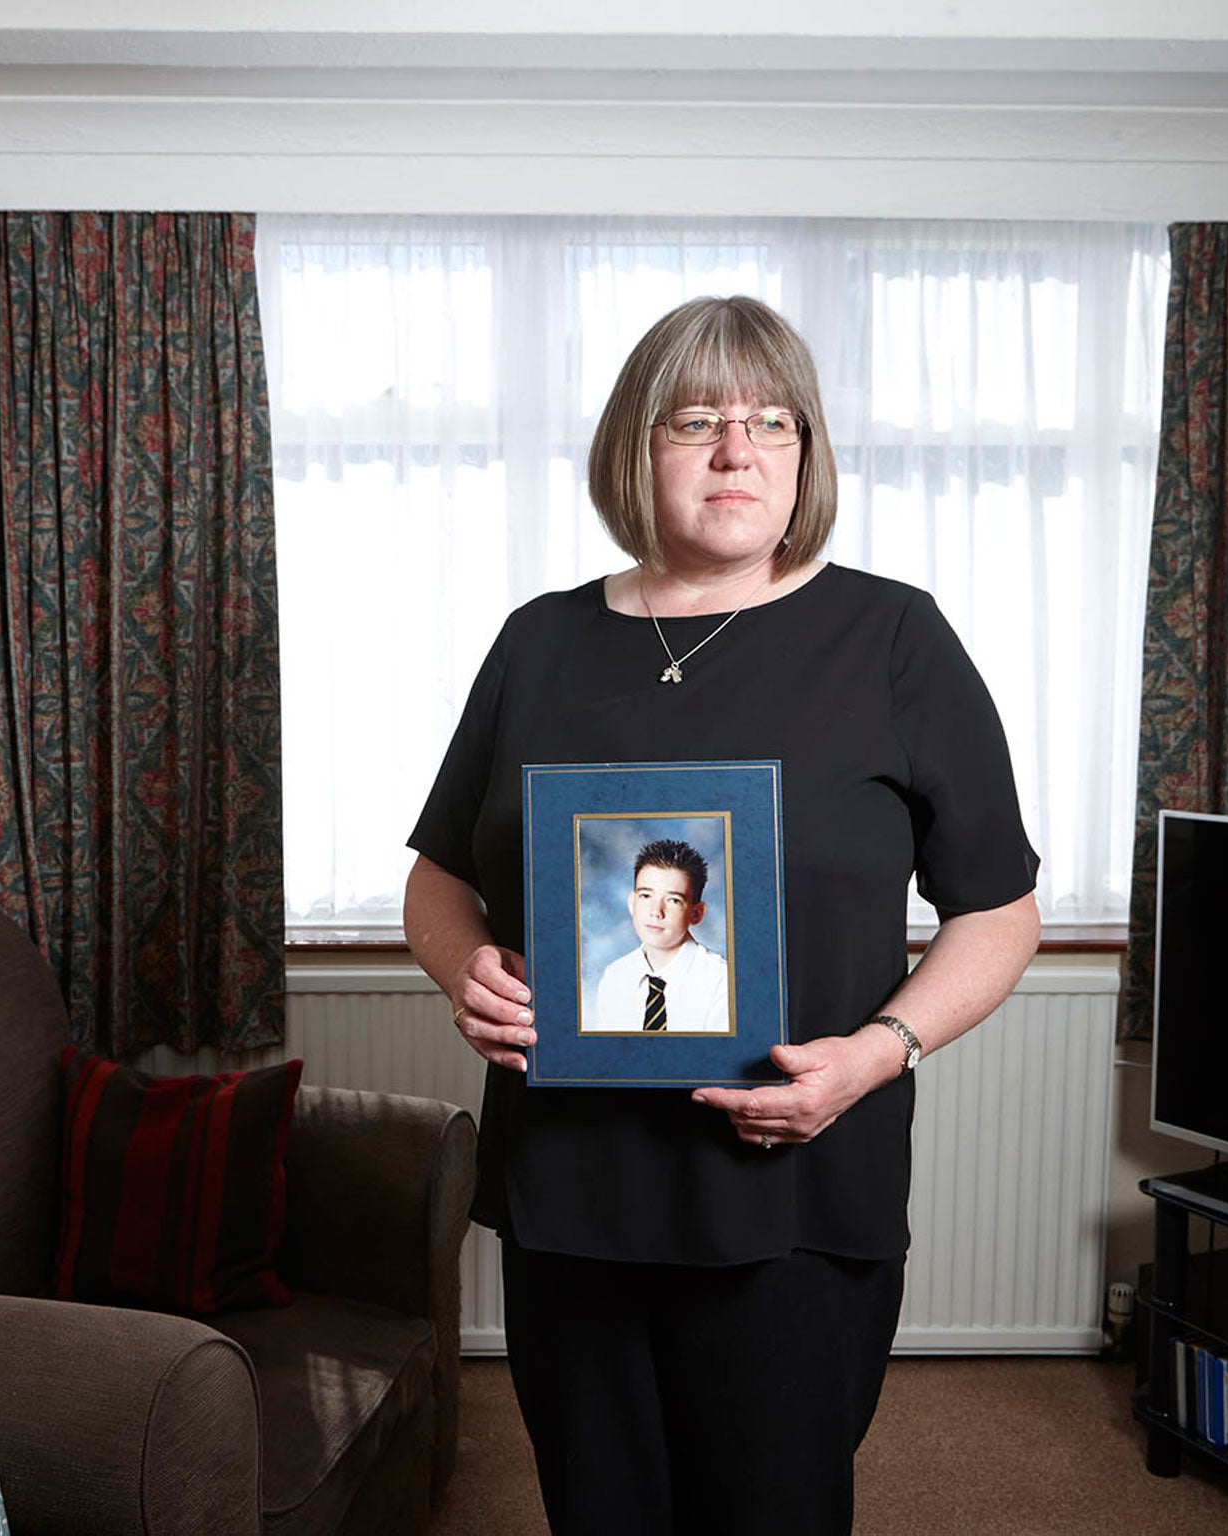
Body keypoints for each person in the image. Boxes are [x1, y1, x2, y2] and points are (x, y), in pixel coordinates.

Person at [402, 294, 1041, 1536]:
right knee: (600, 1513)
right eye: (695, 420)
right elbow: (437, 876)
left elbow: (997, 909)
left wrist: (878, 1053)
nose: (736, 449)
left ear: (804, 454)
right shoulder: (537, 644)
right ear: (635, 451)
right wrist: (464, 967)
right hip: (572, 1192)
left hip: (797, 1181)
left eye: (769, 421)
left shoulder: (891, 637)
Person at [589, 837, 729, 1033]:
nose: (656, 911)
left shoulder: (722, 982)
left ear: (696, 913)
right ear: (632, 903)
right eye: (645, 896)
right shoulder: (614, 977)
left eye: (673, 900)